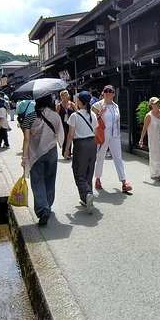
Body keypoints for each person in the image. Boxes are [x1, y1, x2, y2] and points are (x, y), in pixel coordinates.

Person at [20, 94, 64, 226]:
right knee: (50, 179)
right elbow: (60, 133)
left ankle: (41, 208)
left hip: (35, 153)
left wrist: (24, 157)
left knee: (37, 181)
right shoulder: (55, 116)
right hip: (51, 151)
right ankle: (48, 206)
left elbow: (27, 139)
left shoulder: (29, 117)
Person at [92, 85, 132, 193]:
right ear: (103, 93)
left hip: (115, 135)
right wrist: (100, 113)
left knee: (118, 158)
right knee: (100, 157)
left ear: (113, 94)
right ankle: (98, 179)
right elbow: (92, 119)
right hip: (103, 134)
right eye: (106, 91)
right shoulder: (97, 105)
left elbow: (117, 120)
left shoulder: (115, 106)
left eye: (110, 91)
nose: (108, 93)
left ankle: (124, 182)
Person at [63, 91, 98, 212]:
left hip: (81, 144)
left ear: (80, 101)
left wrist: (67, 150)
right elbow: (96, 131)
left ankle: (87, 193)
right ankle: (86, 197)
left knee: (79, 172)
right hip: (92, 143)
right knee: (89, 171)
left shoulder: (75, 116)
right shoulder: (93, 115)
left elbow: (70, 135)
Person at [138, 97, 160, 182]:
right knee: (157, 154)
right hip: (154, 138)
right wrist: (141, 139)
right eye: (155, 103)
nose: (157, 104)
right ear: (151, 105)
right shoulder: (148, 116)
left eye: (158, 102)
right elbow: (145, 128)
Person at [56, 90, 76, 157]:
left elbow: (77, 112)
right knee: (65, 137)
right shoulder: (59, 105)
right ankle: (66, 152)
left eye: (67, 95)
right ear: (62, 97)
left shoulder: (72, 104)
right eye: (64, 95)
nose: (66, 96)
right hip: (63, 123)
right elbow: (57, 115)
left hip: (71, 123)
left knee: (72, 136)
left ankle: (71, 151)